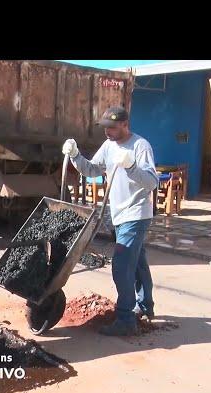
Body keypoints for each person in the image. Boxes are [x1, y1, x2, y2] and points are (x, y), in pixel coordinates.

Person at [62, 106, 159, 336]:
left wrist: (132, 166)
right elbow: (92, 169)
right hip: (120, 214)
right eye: (105, 128)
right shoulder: (108, 146)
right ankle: (146, 306)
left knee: (122, 265)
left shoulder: (140, 146)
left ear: (125, 124)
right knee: (137, 262)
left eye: (112, 128)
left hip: (136, 214)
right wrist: (75, 155)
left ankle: (126, 319)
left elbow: (152, 181)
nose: (107, 132)